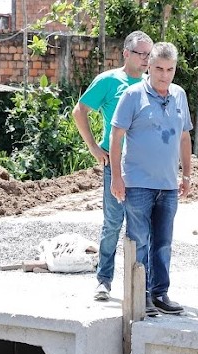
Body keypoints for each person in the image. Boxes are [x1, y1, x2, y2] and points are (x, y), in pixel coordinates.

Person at [109, 42, 193, 317]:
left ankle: (160, 294)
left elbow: (184, 137)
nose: (164, 75)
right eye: (159, 68)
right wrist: (116, 178)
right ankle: (139, 295)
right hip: (138, 184)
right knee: (139, 240)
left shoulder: (179, 95)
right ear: (149, 66)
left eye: (170, 70)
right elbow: (116, 136)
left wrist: (187, 174)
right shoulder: (133, 95)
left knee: (163, 243)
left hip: (168, 185)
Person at [71, 31, 154, 302]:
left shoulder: (151, 84)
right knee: (113, 223)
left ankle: (142, 285)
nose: (146, 59)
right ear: (126, 54)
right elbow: (79, 110)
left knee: (142, 227)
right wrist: (94, 148)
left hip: (144, 168)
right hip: (115, 165)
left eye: (148, 54)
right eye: (141, 53)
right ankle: (103, 280)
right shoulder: (109, 81)